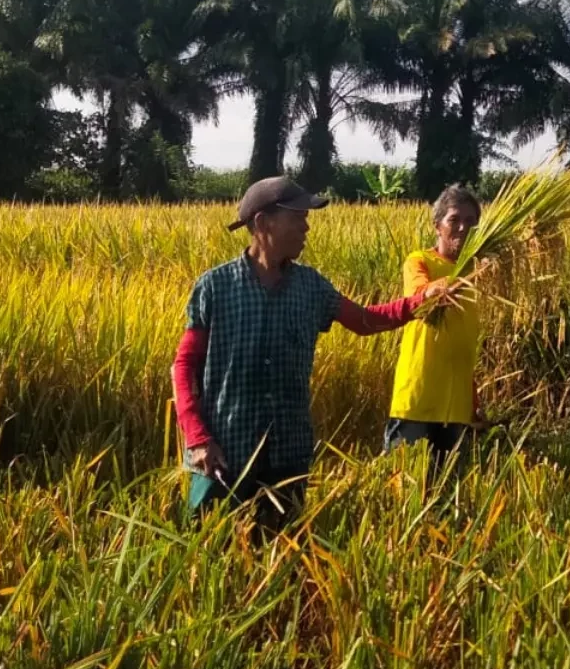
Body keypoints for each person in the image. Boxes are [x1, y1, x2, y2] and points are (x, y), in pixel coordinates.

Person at [171, 175, 451, 529]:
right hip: (224, 454)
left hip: (288, 453)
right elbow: (184, 367)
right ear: (263, 222)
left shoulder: (311, 287)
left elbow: (365, 320)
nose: (306, 228)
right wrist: (197, 438)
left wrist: (419, 302)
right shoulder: (215, 287)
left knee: (282, 557)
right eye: (298, 217)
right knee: (212, 558)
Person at [385, 185, 486, 468]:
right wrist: (470, 274)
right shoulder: (420, 261)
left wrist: (472, 399)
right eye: (454, 220)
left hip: (455, 408)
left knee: (446, 491)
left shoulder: (476, 273)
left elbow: (461, 344)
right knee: (405, 486)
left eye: (471, 222)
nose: (463, 228)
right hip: (418, 399)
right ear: (437, 226)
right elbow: (420, 296)